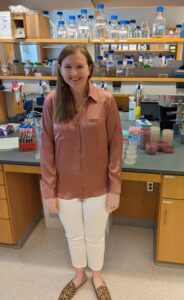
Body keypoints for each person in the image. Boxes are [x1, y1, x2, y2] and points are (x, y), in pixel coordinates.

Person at [40, 44, 122, 300]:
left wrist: (115, 188)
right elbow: (47, 148)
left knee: (96, 235)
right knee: (73, 234)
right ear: (59, 69)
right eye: (67, 67)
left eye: (79, 66)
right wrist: (50, 190)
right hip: (65, 187)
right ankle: (79, 275)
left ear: (90, 69)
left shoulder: (106, 101)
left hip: (98, 186)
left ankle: (96, 276)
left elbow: (115, 146)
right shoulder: (52, 102)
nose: (73, 72)